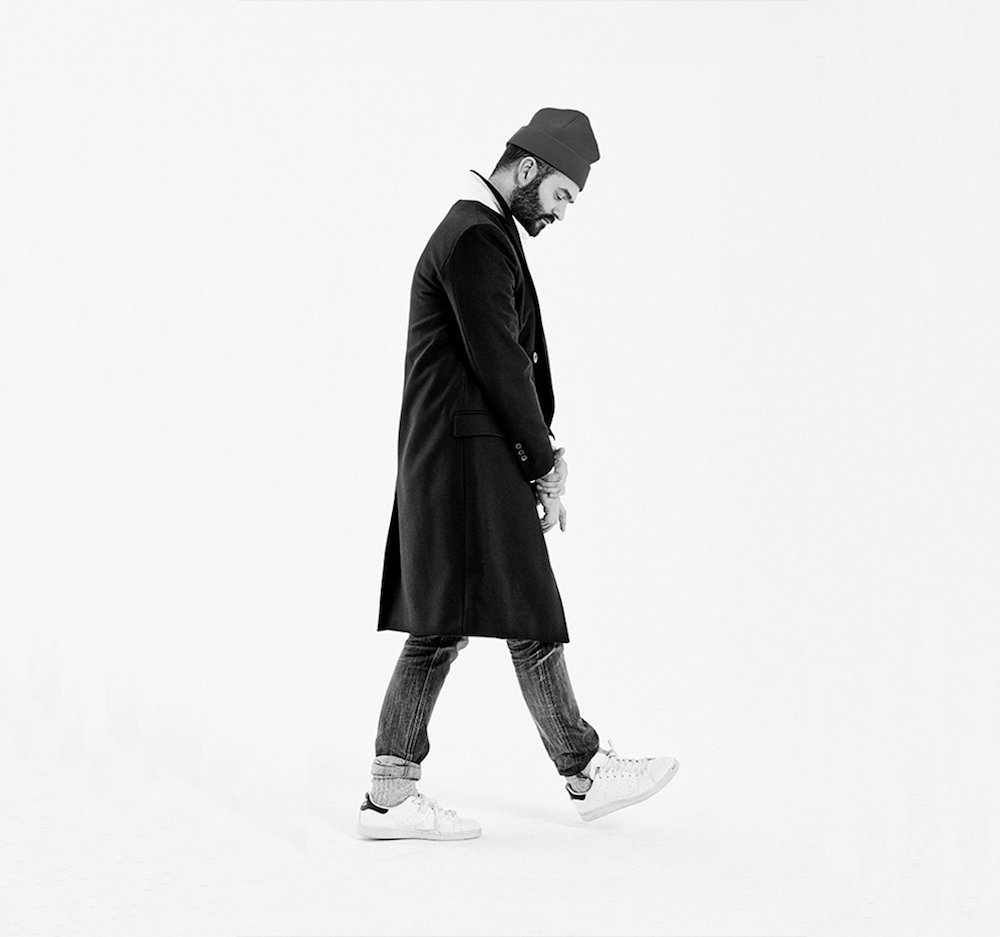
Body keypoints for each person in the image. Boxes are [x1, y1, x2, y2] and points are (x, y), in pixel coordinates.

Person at [358, 108, 679, 841]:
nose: (562, 213)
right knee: (516, 612)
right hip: (467, 458)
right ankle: (583, 770)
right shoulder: (476, 235)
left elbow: (499, 359)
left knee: (444, 625)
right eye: (563, 194)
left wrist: (539, 455)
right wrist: (543, 461)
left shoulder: (480, 229)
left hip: (458, 457)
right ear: (528, 168)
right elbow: (501, 360)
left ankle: (392, 792)